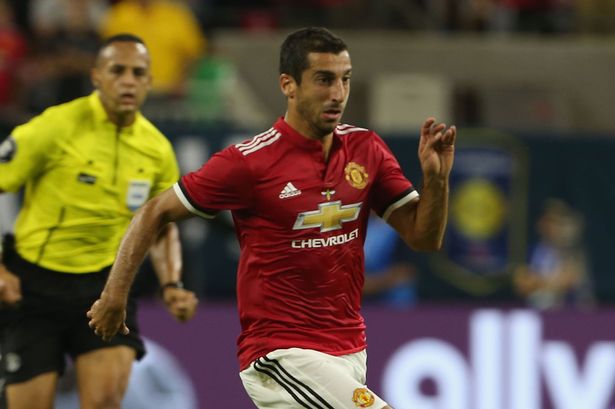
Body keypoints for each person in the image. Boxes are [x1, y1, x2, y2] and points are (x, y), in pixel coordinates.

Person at [88, 27, 456, 409]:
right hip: (281, 353)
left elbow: (423, 237)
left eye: (345, 79)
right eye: (324, 80)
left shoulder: (367, 149)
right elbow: (155, 210)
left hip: (349, 348)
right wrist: (114, 296)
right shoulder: (250, 163)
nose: (337, 93)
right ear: (288, 85)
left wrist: (437, 180)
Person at [0, 33, 198, 409]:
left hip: (106, 288)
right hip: (34, 286)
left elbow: (160, 224)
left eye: (138, 73)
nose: (128, 81)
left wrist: (172, 283)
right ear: (96, 76)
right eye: (117, 70)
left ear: (149, 81)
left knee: (105, 401)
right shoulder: (55, 126)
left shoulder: (156, 149)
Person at [514, 198, 594, 310]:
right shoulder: (531, 251)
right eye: (550, 222)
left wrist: (537, 281)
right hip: (536, 311)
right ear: (541, 223)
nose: (553, 227)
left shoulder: (573, 251)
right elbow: (522, 284)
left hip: (570, 313)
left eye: (558, 223)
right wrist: (549, 282)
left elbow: (569, 280)